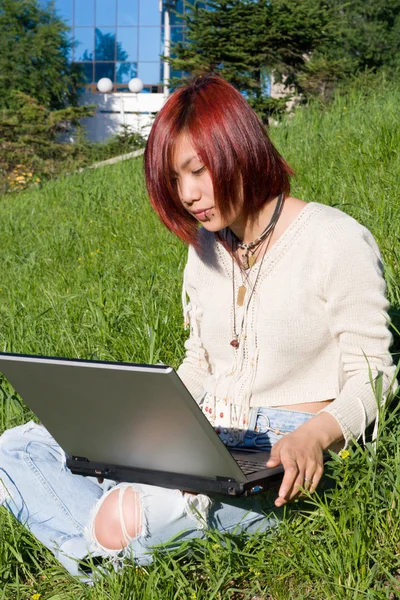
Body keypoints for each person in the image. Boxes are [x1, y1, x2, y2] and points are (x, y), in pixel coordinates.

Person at [0, 74, 396, 578]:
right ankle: (104, 549)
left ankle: (102, 542)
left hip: (279, 455)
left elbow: (376, 374)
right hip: (198, 432)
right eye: (175, 180)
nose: (187, 195)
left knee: (125, 513)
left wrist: (316, 436)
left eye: (198, 170)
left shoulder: (335, 240)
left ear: (239, 147)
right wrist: (136, 420)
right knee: (17, 446)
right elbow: (201, 363)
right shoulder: (205, 250)